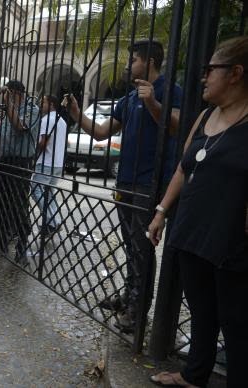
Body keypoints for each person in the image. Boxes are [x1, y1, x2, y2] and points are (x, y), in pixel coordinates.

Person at [147, 36, 248, 388]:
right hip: (191, 233)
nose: (203, 77)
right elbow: (182, 169)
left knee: (236, 322)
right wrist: (161, 211)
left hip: (232, 241)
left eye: (210, 70)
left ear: (235, 73)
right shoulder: (205, 116)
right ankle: (194, 374)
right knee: (202, 313)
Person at [64, 40, 182, 333]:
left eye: (134, 60)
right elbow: (103, 133)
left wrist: (153, 102)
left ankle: (138, 310)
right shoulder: (129, 98)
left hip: (149, 184)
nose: (129, 65)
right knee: (131, 247)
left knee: (142, 249)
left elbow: (176, 126)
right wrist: (79, 115)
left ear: (150, 62)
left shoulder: (171, 90)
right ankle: (130, 296)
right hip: (125, 181)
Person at [0, 79, 41, 262]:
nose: (4, 97)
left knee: (18, 204)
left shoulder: (32, 110)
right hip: (3, 161)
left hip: (21, 162)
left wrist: (8, 105)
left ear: (16, 93)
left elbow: (21, 127)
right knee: (0, 203)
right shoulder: (6, 112)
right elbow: (5, 136)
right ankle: (0, 242)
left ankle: (22, 245)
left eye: (7, 93)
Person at [31, 95, 68, 234]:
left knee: (36, 190)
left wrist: (33, 149)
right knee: (49, 193)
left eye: (43, 102)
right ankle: (55, 221)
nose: (40, 105)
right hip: (58, 162)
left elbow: (43, 142)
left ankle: (51, 221)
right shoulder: (61, 121)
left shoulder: (48, 119)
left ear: (51, 104)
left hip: (46, 161)